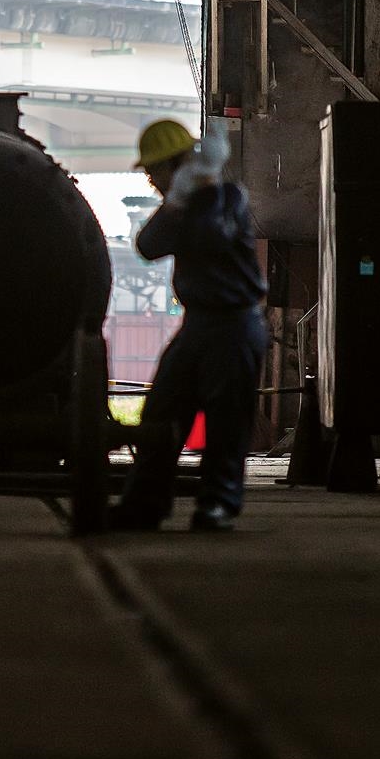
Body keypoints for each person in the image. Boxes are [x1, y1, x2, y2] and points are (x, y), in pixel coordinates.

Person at [110, 119, 270, 533]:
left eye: (154, 170)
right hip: (198, 324)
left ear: (178, 165)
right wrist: (178, 200)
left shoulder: (227, 199)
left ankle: (218, 504)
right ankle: (144, 503)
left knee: (226, 421)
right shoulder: (179, 208)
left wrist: (195, 192)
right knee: (161, 412)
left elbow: (209, 235)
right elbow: (148, 247)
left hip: (234, 326)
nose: (151, 180)